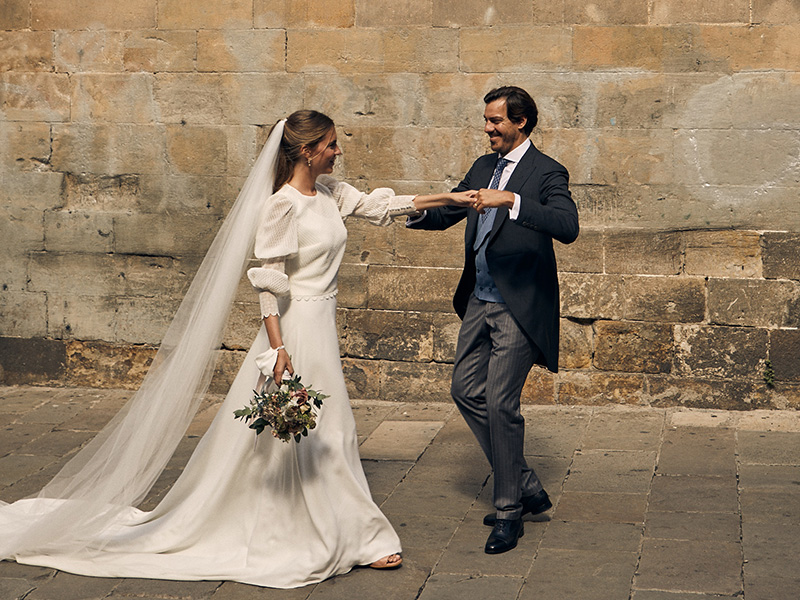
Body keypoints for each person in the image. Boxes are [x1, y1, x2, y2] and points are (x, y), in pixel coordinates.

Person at [0, 110, 473, 587]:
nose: (338, 151)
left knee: (329, 430)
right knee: (321, 431)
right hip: (296, 328)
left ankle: (349, 532)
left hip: (322, 323)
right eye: (330, 144)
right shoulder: (281, 206)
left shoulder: (329, 193)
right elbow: (269, 284)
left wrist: (453, 196)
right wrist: (279, 349)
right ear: (307, 151)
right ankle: (326, 534)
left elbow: (382, 205)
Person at [407, 86, 579, 554]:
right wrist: (403, 210)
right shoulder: (483, 167)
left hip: (519, 305)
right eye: (486, 120)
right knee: (465, 390)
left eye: (495, 121)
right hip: (479, 302)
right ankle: (524, 482)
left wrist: (512, 202)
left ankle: (509, 511)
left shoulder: (547, 171)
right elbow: (450, 212)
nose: (487, 128)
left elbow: (568, 227)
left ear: (520, 122)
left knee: (501, 403)